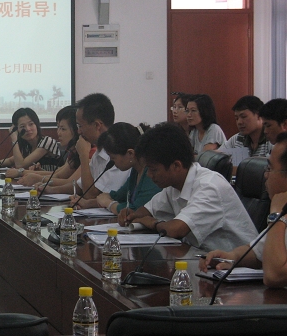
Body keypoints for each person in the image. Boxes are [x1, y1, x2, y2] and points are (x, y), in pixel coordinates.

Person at [119, 122, 257, 251]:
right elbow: (148, 210)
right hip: (206, 258)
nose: (149, 175)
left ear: (176, 166)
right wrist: (131, 215)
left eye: (153, 169)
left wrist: (153, 223)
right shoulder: (174, 186)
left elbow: (176, 230)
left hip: (237, 265)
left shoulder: (209, 187)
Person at [200, 132, 287, 288]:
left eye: (270, 168)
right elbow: (257, 252)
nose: (265, 175)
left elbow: (274, 276)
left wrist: (276, 216)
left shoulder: (279, 213)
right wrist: (231, 257)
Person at [93, 123, 162, 215]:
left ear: (130, 153)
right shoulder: (136, 170)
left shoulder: (151, 173)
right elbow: (118, 196)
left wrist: (109, 204)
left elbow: (137, 209)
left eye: (113, 158)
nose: (112, 162)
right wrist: (87, 203)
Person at [0, 107, 61, 178]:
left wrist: (14, 139)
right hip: (37, 182)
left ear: (36, 124)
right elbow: (11, 160)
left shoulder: (47, 141)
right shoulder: (27, 145)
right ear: (17, 129)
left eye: (31, 124)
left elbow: (20, 165)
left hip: (54, 182)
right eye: (22, 126)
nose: (28, 129)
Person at [18, 106, 82, 187]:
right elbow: (57, 174)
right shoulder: (73, 152)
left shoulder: (88, 152)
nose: (58, 133)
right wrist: (37, 174)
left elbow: (71, 183)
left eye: (63, 129)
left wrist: (24, 174)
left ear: (77, 130)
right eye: (58, 127)